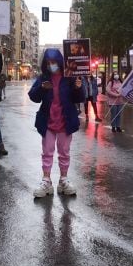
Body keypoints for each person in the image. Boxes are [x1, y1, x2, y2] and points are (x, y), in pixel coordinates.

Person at [28, 48, 84, 198]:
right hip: (47, 123)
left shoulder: (69, 77)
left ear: (60, 62)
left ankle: (63, 180)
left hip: (66, 122)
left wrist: (78, 87)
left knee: (64, 152)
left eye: (54, 62)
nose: (51, 65)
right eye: (48, 62)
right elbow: (33, 96)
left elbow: (79, 98)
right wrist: (41, 88)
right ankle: (46, 181)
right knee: (47, 152)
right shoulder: (43, 78)